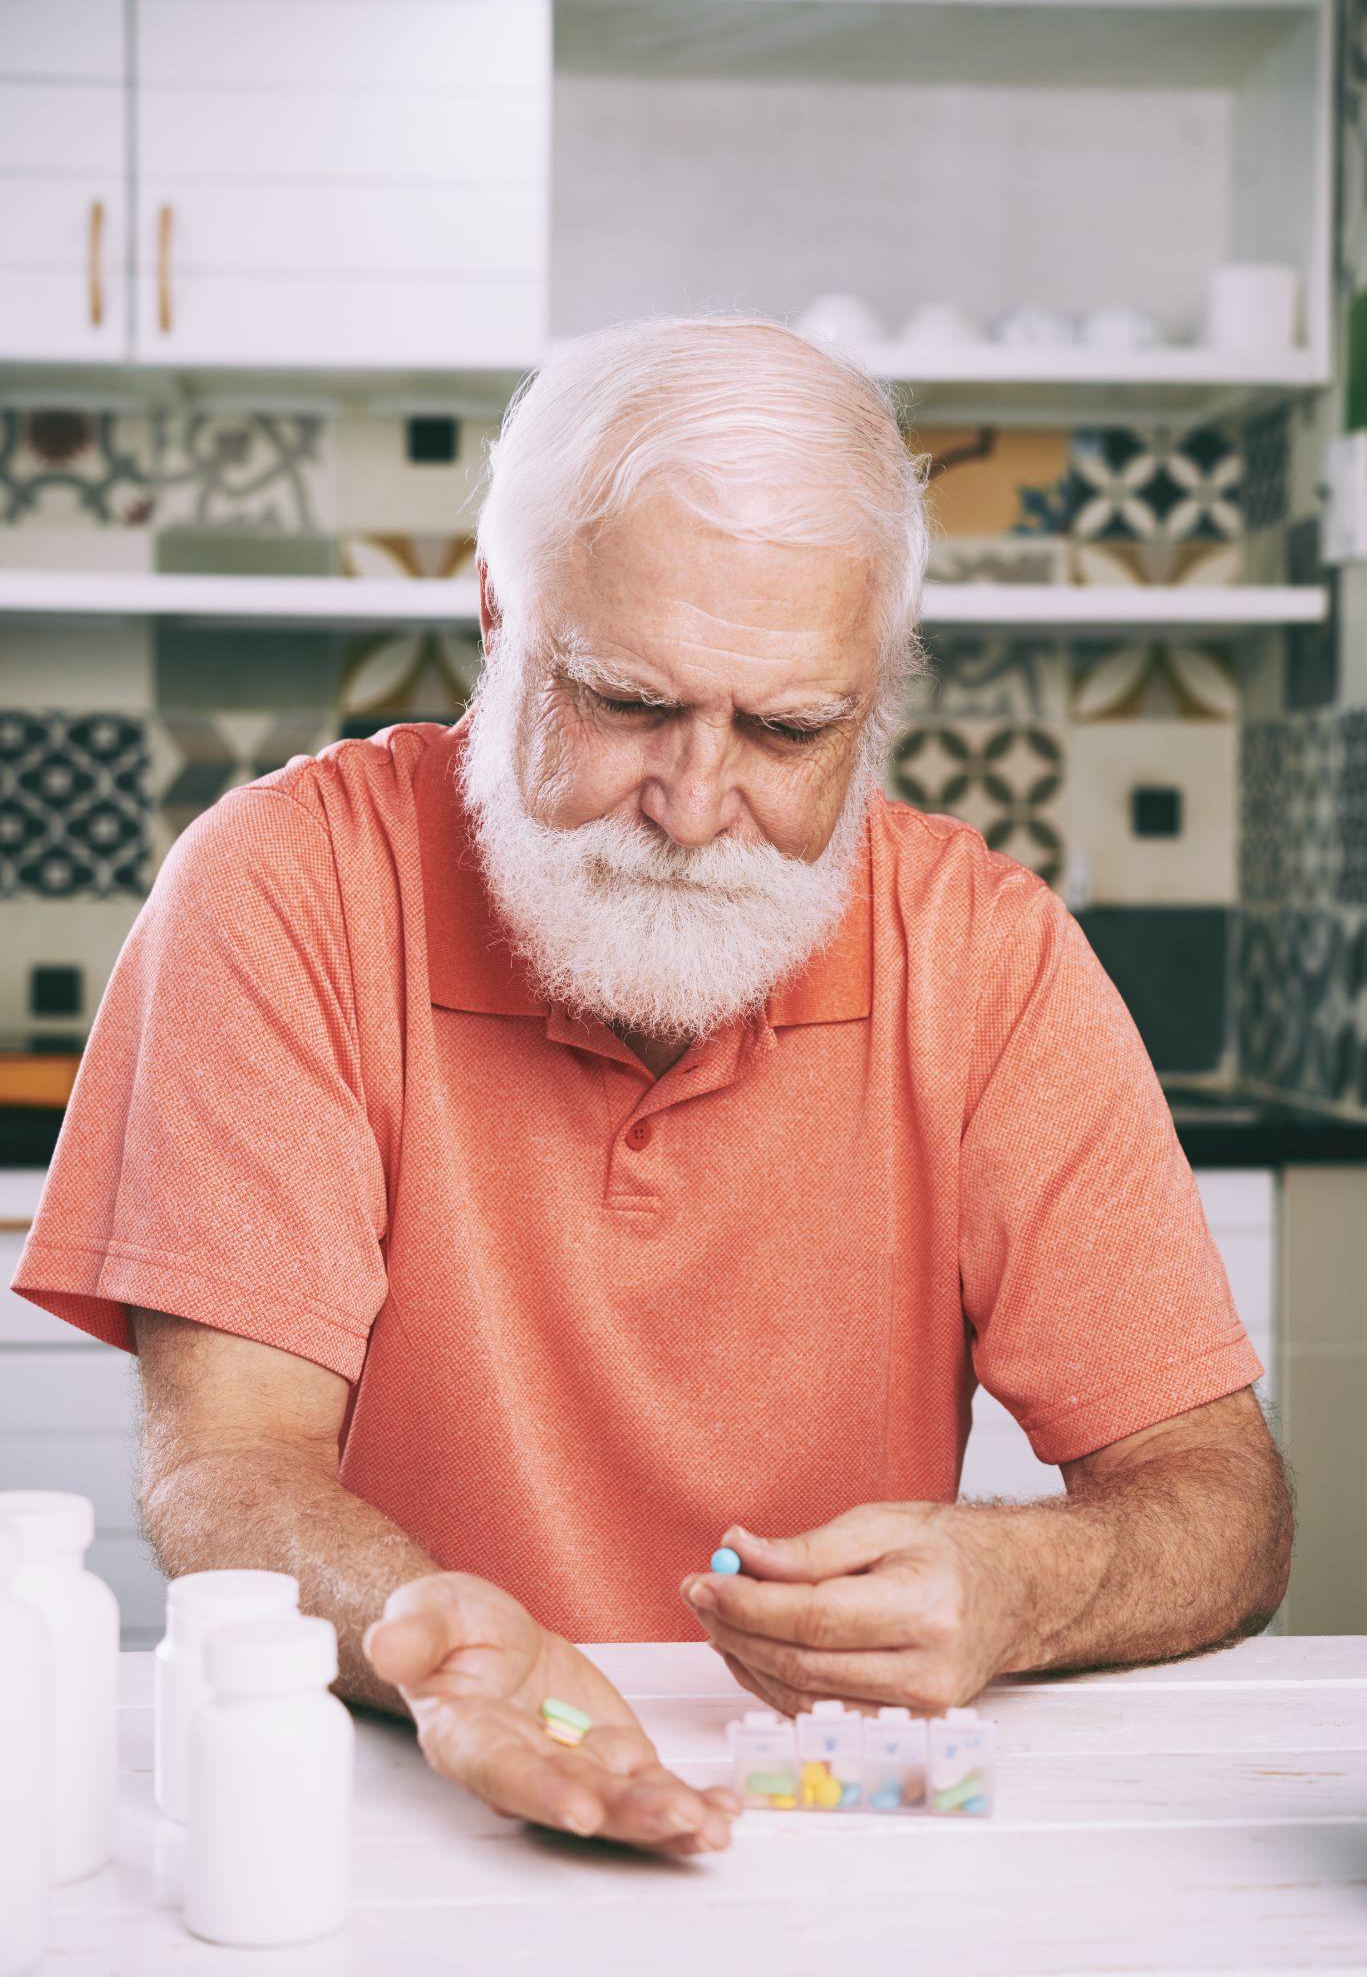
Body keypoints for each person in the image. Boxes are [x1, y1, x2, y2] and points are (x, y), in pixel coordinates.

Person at [12, 316, 1291, 1859]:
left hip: (824, 1830)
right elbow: (228, 1468)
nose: (695, 811)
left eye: (788, 731)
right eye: (626, 703)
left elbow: (1225, 1503)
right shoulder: (282, 889)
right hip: (390, 1790)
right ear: (500, 620)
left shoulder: (989, 956)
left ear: (876, 704)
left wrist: (1029, 1588)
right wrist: (438, 1642)